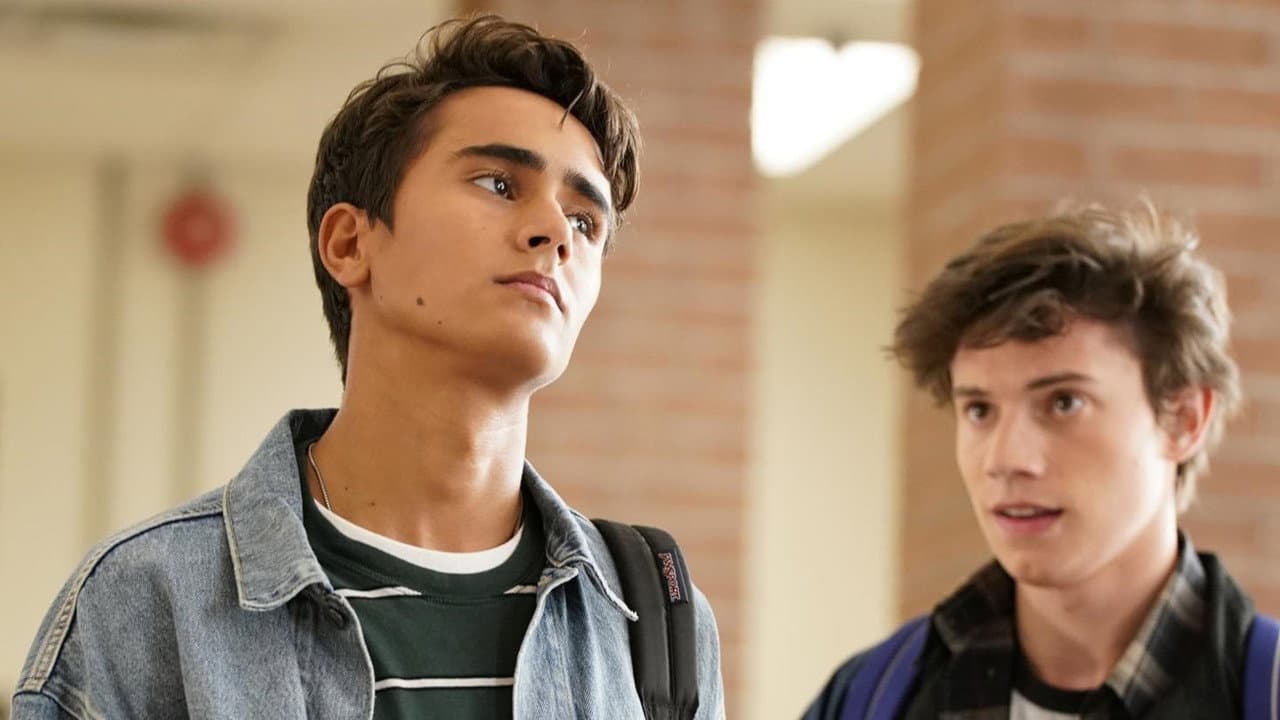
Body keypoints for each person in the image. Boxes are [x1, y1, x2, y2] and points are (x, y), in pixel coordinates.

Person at [12, 14, 723, 720]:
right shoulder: (144, 603)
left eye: (585, 221)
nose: (555, 234)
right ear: (351, 244)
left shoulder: (655, 623)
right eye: (499, 184)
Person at [806, 203, 1261, 719]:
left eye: (1063, 402)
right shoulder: (868, 697)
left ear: (1183, 420)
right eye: (979, 410)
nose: (1006, 459)